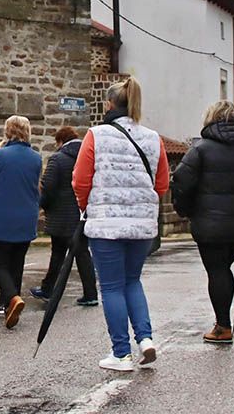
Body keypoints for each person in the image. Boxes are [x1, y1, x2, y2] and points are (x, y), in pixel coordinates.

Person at [72, 77, 169, 372]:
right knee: (132, 281)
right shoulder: (154, 138)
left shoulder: (96, 135)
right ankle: (146, 338)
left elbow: (80, 180)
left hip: (106, 226)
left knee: (112, 287)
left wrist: (86, 206)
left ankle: (121, 353)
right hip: (141, 226)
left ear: (109, 104)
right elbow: (162, 184)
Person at [170, 100, 234, 345]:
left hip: (208, 224)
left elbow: (181, 181)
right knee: (224, 269)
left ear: (210, 119)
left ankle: (223, 327)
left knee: (216, 270)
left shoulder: (200, 150)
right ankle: (223, 324)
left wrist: (186, 210)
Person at [0, 115, 43, 329]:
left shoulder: (0, 155)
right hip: (27, 215)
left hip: (2, 216)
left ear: (8, 131)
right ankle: (9, 307)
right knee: (17, 262)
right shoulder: (36, 158)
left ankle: (12, 297)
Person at [31, 126, 97, 306]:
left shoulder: (57, 159)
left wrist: (41, 205)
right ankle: (91, 293)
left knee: (58, 254)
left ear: (60, 141)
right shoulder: (87, 158)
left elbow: (48, 188)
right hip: (82, 214)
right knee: (83, 254)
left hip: (61, 217)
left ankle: (48, 289)